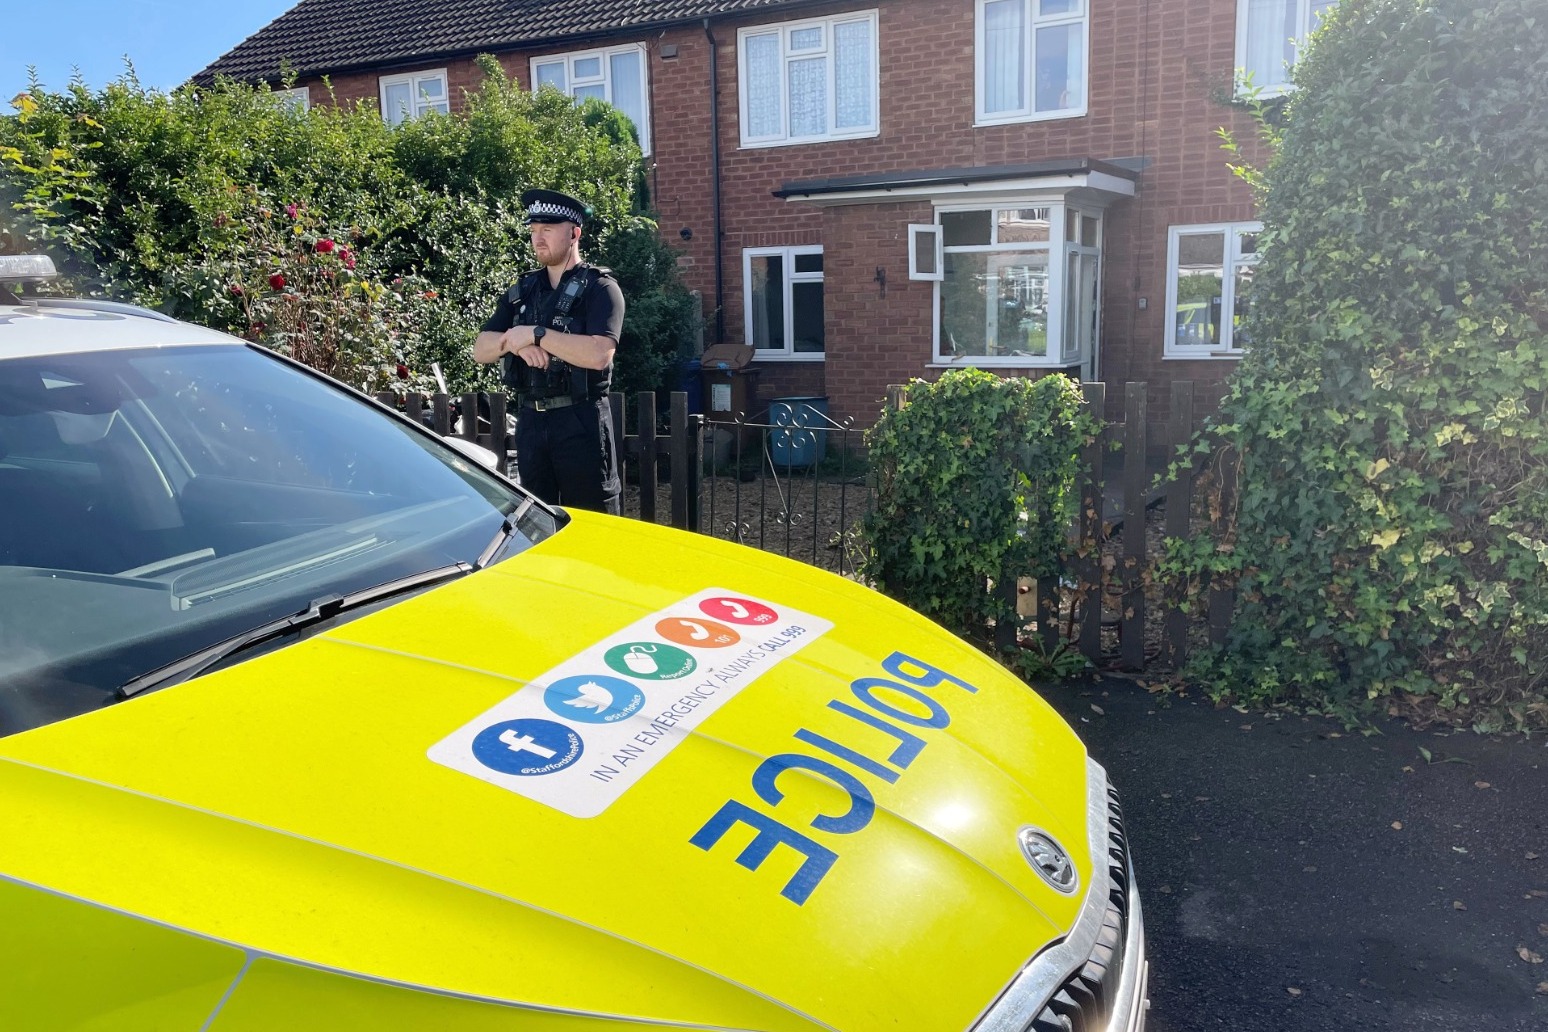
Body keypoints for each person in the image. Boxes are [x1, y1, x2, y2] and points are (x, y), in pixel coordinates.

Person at [474, 189, 625, 514]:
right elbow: (481, 348)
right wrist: (513, 341)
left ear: (574, 234)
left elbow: (599, 354)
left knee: (590, 521)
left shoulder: (601, 289)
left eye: (547, 229)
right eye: (533, 230)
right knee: (536, 522)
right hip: (531, 422)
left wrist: (536, 334)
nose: (538, 239)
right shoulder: (522, 291)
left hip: (580, 422)